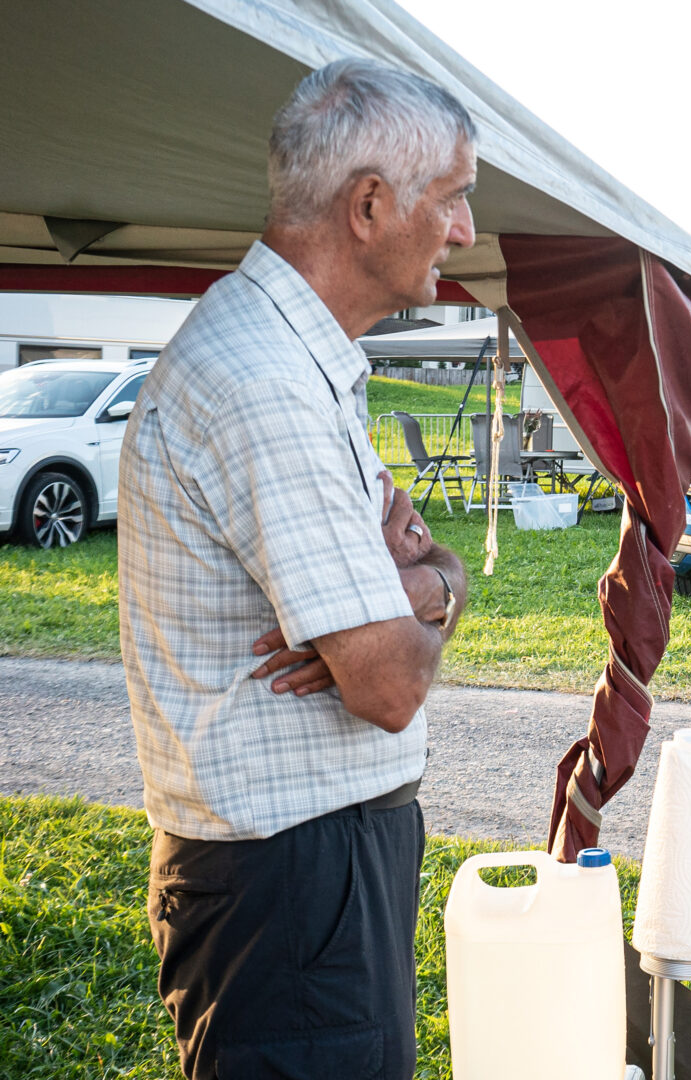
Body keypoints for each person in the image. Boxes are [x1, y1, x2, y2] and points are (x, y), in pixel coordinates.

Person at [119, 59, 477, 1079]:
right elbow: (393, 682)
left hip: (306, 875)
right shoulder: (265, 382)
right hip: (289, 889)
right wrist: (400, 610)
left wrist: (422, 586)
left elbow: (419, 574)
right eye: (451, 199)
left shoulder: (295, 356)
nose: (462, 232)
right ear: (369, 206)